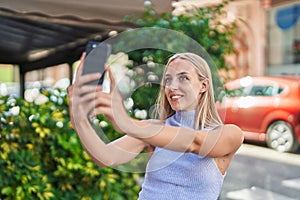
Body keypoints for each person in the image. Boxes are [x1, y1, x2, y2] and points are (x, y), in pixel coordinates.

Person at [68, 52, 244, 200]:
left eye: (183, 77)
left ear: (203, 86)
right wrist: (80, 121)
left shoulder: (229, 134)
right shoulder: (152, 130)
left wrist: (126, 122)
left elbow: (194, 143)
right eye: (168, 79)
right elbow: (106, 157)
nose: (172, 86)